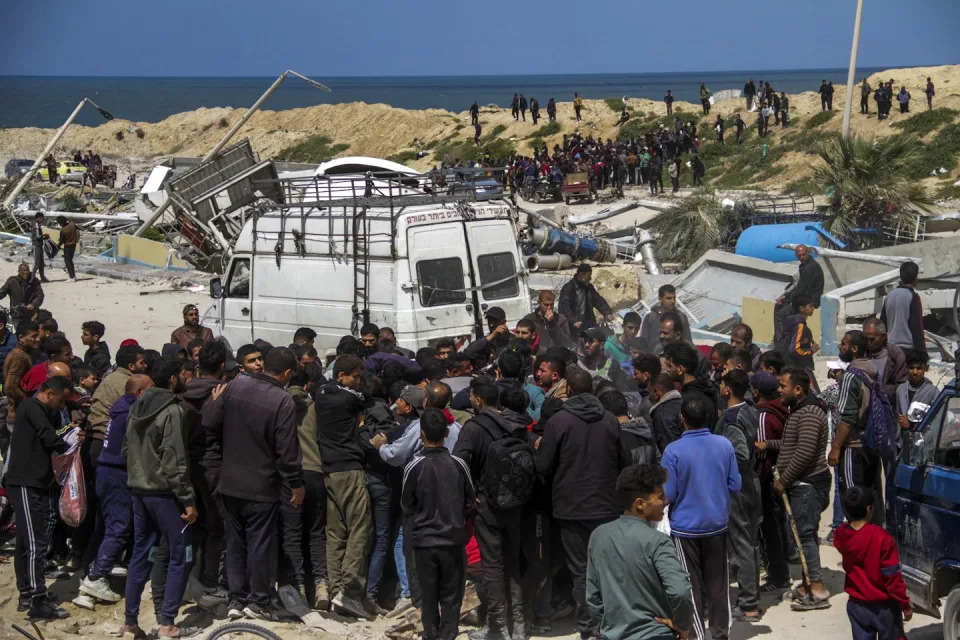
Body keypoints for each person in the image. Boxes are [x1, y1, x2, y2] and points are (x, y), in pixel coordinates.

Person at [204, 347, 303, 620]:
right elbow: (287, 451)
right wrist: (296, 484)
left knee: (235, 543)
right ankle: (258, 601)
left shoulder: (234, 387)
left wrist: (214, 402)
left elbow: (209, 422)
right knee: (260, 544)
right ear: (286, 373)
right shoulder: (283, 401)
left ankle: (236, 599)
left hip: (229, 482)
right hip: (261, 486)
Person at [536, 367, 624, 639]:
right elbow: (624, 462)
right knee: (606, 568)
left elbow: (543, 465)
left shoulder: (558, 422)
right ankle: (607, 623)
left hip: (570, 509)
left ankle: (588, 626)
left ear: (569, 390)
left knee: (580, 571)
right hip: (606, 507)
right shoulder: (610, 421)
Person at [121, 359, 197, 638]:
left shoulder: (136, 406)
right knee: (182, 554)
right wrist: (187, 499)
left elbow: (126, 449)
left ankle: (130, 622)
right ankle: (167, 623)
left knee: (143, 552)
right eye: (185, 375)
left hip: (139, 491)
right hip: (165, 495)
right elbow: (174, 459)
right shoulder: (172, 411)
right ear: (175, 378)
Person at [453, 378, 533, 640]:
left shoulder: (474, 428)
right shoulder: (517, 425)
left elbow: (459, 463)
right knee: (513, 561)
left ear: (476, 399)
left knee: (493, 565)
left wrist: (469, 495)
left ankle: (498, 628)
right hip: (517, 504)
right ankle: (519, 625)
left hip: (487, 505)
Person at [662, 393, 740, 640]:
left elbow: (669, 493)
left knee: (691, 586)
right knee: (718, 586)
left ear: (682, 418)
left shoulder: (672, 450)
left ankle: (695, 635)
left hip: (685, 529)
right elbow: (735, 483)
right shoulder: (724, 445)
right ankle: (720, 634)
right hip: (717, 525)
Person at [585, 464, 693, 640]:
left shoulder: (598, 535)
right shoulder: (658, 541)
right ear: (640, 504)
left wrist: (607, 628)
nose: (665, 502)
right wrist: (682, 625)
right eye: (660, 497)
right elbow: (680, 591)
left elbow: (593, 597)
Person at [6, 376, 78, 619]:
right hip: (25, 483)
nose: (60, 406)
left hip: (31, 482)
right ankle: (37, 599)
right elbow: (49, 437)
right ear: (48, 392)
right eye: (60, 400)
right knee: (36, 543)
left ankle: (27, 593)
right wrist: (69, 445)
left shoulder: (38, 409)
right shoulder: (32, 407)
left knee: (26, 544)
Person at [402, 407, 476, 640]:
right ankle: (448, 635)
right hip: (453, 540)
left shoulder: (414, 466)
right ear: (446, 432)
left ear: (421, 434)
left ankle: (431, 635)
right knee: (452, 597)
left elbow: (406, 505)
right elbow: (470, 502)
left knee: (429, 593)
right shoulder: (458, 465)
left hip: (424, 542)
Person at [79, 374, 153, 603]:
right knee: (118, 527)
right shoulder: (134, 412)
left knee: (110, 526)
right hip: (116, 475)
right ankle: (95, 577)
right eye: (151, 389)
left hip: (108, 473)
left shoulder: (121, 408)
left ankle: (99, 568)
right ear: (140, 392)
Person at [313, 354, 373, 619]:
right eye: (355, 376)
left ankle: (335, 587)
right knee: (360, 528)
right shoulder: (351, 398)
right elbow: (363, 400)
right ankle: (350, 590)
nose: (358, 381)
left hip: (328, 469)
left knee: (336, 532)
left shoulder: (321, 393)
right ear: (342, 376)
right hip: (350, 468)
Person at [834, 487, 912, 639]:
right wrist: (905, 605)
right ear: (869, 509)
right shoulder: (881, 537)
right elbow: (892, 578)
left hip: (857, 606)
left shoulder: (841, 535)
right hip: (884, 608)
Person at [716, 370, 762, 621]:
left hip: (739, 486)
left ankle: (748, 604)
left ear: (727, 389)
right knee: (750, 541)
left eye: (722, 384)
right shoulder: (750, 410)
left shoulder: (732, 418)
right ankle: (751, 595)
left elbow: (740, 455)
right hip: (750, 482)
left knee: (742, 543)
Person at [830, 331, 884, 526]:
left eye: (843, 344)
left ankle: (860, 548)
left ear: (854, 349)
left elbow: (847, 417)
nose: (840, 347)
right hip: (871, 444)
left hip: (853, 447)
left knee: (854, 500)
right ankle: (875, 545)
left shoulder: (851, 377)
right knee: (872, 495)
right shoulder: (872, 372)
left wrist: (836, 448)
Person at [774, 245, 824, 345]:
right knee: (779, 306)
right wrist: (786, 296)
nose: (801, 257)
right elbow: (800, 287)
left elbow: (801, 289)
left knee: (780, 315)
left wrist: (788, 298)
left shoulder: (810, 267)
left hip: (810, 301)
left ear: (808, 253)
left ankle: (781, 343)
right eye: (799, 255)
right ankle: (781, 338)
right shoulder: (805, 265)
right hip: (804, 297)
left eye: (803, 255)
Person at [880, 261, 924, 352]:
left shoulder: (889, 296)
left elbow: (882, 325)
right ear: (915, 277)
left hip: (891, 348)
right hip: (908, 349)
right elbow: (916, 327)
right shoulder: (913, 297)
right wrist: (922, 352)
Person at [557, 264, 614, 331]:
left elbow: (598, 301)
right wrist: (573, 321)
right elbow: (565, 308)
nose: (590, 279)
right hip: (573, 327)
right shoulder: (568, 289)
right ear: (581, 275)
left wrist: (607, 313)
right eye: (588, 276)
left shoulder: (589, 288)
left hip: (587, 324)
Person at [3, 321, 37, 432]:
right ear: (21, 337)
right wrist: (28, 400)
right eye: (33, 336)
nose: (37, 339)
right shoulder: (19, 357)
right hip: (18, 412)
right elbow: (10, 387)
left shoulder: (23, 354)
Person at [863, 317, 908, 401]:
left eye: (872, 339)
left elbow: (902, 386)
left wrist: (878, 389)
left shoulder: (895, 355)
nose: (868, 342)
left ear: (883, 336)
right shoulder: (863, 353)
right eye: (866, 339)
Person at [638, 285, 691, 353]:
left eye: (674, 298)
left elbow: (687, 341)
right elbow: (643, 342)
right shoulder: (651, 317)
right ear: (660, 299)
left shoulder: (681, 317)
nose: (672, 301)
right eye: (668, 298)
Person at [56, 216, 79, 282]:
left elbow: (61, 241)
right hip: (74, 245)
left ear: (61, 223)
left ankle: (71, 277)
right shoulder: (72, 224)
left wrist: (57, 246)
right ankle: (73, 276)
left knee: (67, 262)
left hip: (68, 246)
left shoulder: (63, 230)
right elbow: (78, 228)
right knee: (70, 261)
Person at [31, 212, 49, 283]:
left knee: (41, 263)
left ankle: (42, 277)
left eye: (42, 218)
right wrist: (44, 236)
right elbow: (38, 236)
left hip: (39, 246)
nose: (42, 219)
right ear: (37, 218)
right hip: (36, 246)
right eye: (40, 218)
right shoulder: (36, 226)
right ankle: (32, 279)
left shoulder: (38, 225)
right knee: (37, 263)